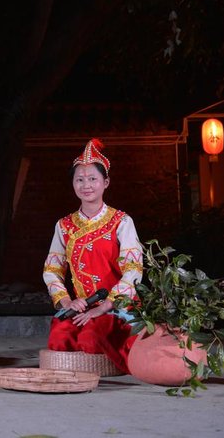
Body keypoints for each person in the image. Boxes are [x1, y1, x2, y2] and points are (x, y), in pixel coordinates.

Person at [42, 139, 143, 373]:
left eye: (92, 179)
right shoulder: (64, 226)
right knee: (59, 338)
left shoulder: (122, 222)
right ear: (73, 184)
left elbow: (133, 269)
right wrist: (67, 301)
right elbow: (52, 270)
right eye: (80, 179)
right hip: (81, 306)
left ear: (105, 182)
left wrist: (104, 307)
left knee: (89, 338)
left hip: (116, 307)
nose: (86, 185)